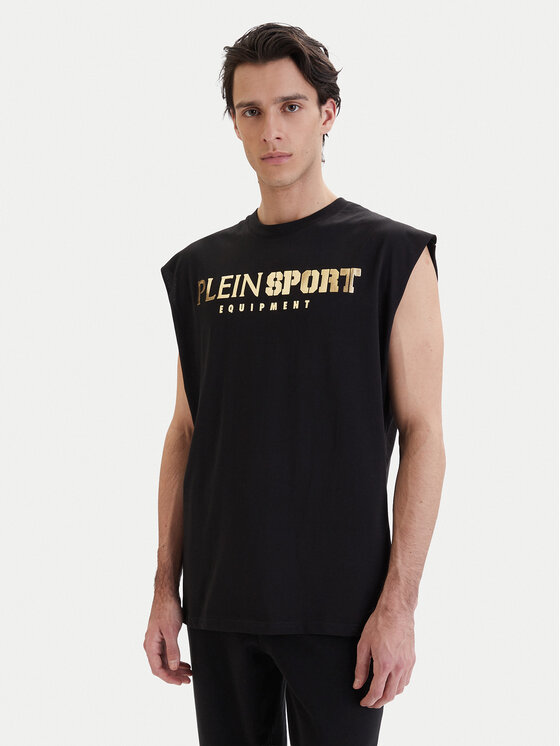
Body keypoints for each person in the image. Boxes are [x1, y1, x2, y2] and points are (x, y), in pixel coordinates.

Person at [144, 21, 445, 746]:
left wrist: (399, 605)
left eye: (291, 106)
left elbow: (425, 435)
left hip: (342, 610)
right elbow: (186, 432)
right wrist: (164, 587)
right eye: (251, 111)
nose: (271, 130)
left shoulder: (391, 255)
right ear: (234, 122)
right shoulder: (200, 270)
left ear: (327, 113)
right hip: (220, 602)